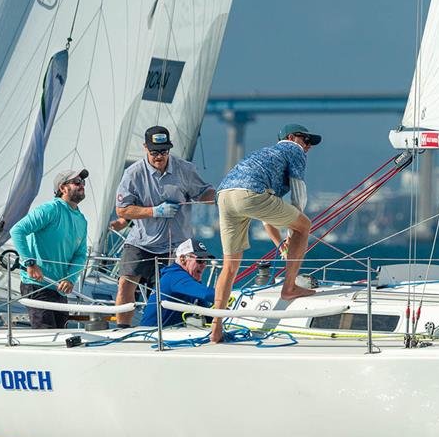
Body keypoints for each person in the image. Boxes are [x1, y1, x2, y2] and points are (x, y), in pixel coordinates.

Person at [212, 123, 321, 343]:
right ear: (291, 137)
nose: (307, 147)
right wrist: (296, 227)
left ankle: (216, 329)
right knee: (305, 225)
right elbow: (298, 194)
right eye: (306, 140)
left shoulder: (264, 155)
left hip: (224, 194)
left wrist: (281, 244)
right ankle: (289, 288)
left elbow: (266, 216)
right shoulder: (293, 150)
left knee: (230, 266)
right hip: (250, 195)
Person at [114, 126, 215, 328]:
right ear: (145, 148)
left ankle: (177, 326)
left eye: (164, 151)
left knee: (178, 287)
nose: (159, 156)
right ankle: (122, 329)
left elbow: (205, 192)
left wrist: (213, 197)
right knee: (126, 283)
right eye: (154, 152)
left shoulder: (185, 169)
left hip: (176, 244)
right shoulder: (133, 174)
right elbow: (122, 210)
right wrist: (154, 211)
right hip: (141, 242)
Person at [10, 169, 89, 329]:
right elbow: (17, 231)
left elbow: (80, 255)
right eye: (77, 182)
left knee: (61, 339)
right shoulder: (50, 209)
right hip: (37, 285)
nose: (82, 185)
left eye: (83, 182)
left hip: (60, 289)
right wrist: (30, 263)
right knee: (48, 336)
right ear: (63, 188)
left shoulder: (82, 220)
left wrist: (70, 279)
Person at [140, 238, 215, 327]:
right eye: (200, 260)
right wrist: (226, 298)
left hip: (169, 333)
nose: (204, 265)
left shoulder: (189, 280)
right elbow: (208, 294)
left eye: (205, 261)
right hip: (154, 335)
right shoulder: (175, 276)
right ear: (182, 259)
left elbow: (206, 310)